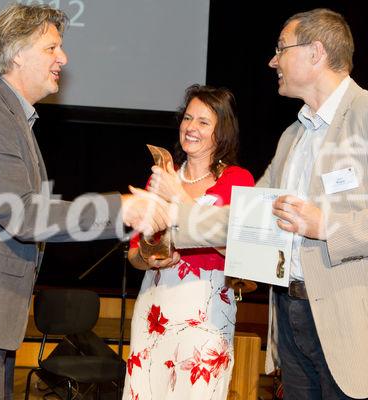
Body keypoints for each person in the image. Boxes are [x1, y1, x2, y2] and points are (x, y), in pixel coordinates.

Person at [0, 4, 168, 399]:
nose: (63, 58)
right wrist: (121, 209)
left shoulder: (8, 114)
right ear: (16, 54)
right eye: (51, 48)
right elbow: (23, 216)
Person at [167, 8, 368, 399]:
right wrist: (172, 221)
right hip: (291, 315)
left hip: (352, 327)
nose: (272, 60)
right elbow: (244, 217)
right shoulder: (293, 135)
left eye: (281, 49)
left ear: (315, 52)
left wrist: (327, 226)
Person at [123, 85, 255, 400]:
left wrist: (177, 197)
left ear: (221, 132)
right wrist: (148, 258)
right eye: (187, 118)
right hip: (154, 307)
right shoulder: (163, 177)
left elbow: (240, 250)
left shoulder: (237, 181)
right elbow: (134, 253)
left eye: (203, 122)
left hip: (206, 312)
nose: (191, 127)